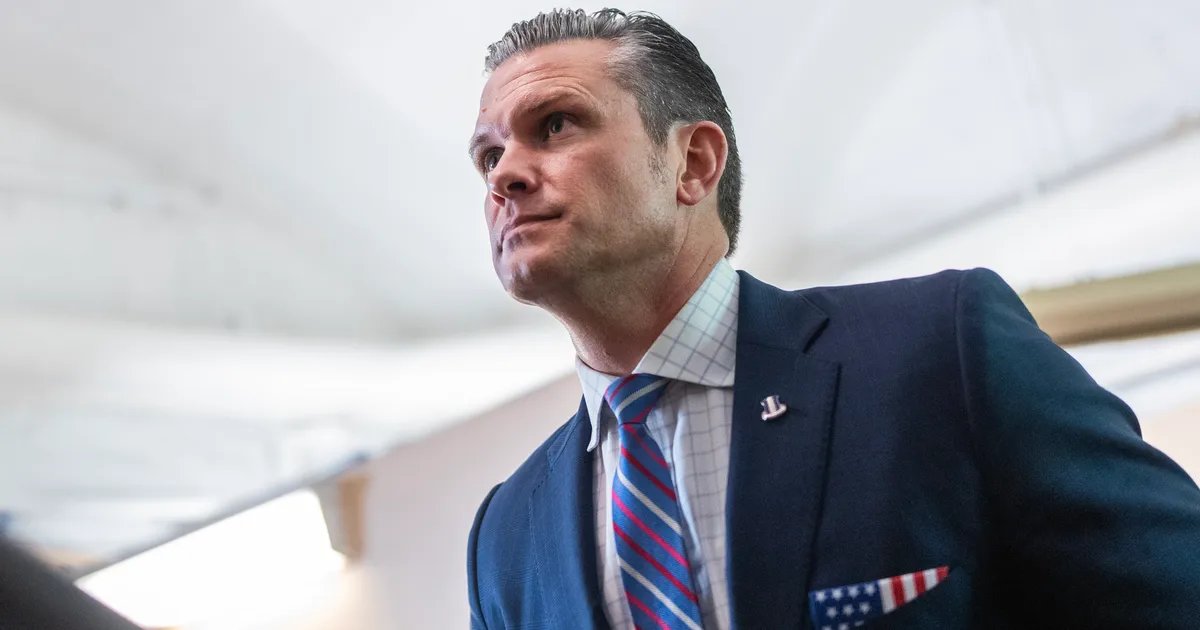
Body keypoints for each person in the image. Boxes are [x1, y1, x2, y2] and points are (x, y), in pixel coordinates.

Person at [464, 8, 1200, 629]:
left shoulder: (944, 350)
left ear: (693, 163)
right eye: (489, 156)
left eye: (554, 125)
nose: (505, 175)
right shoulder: (506, 536)